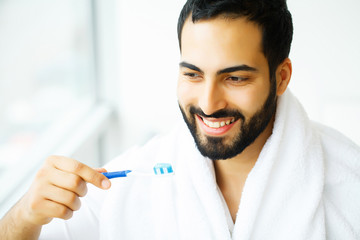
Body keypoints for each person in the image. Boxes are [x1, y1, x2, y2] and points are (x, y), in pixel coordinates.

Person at [1, 0, 360, 239]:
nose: (208, 103)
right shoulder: (131, 183)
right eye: (192, 74)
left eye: (235, 78)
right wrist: (23, 217)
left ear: (281, 77)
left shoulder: (347, 181)